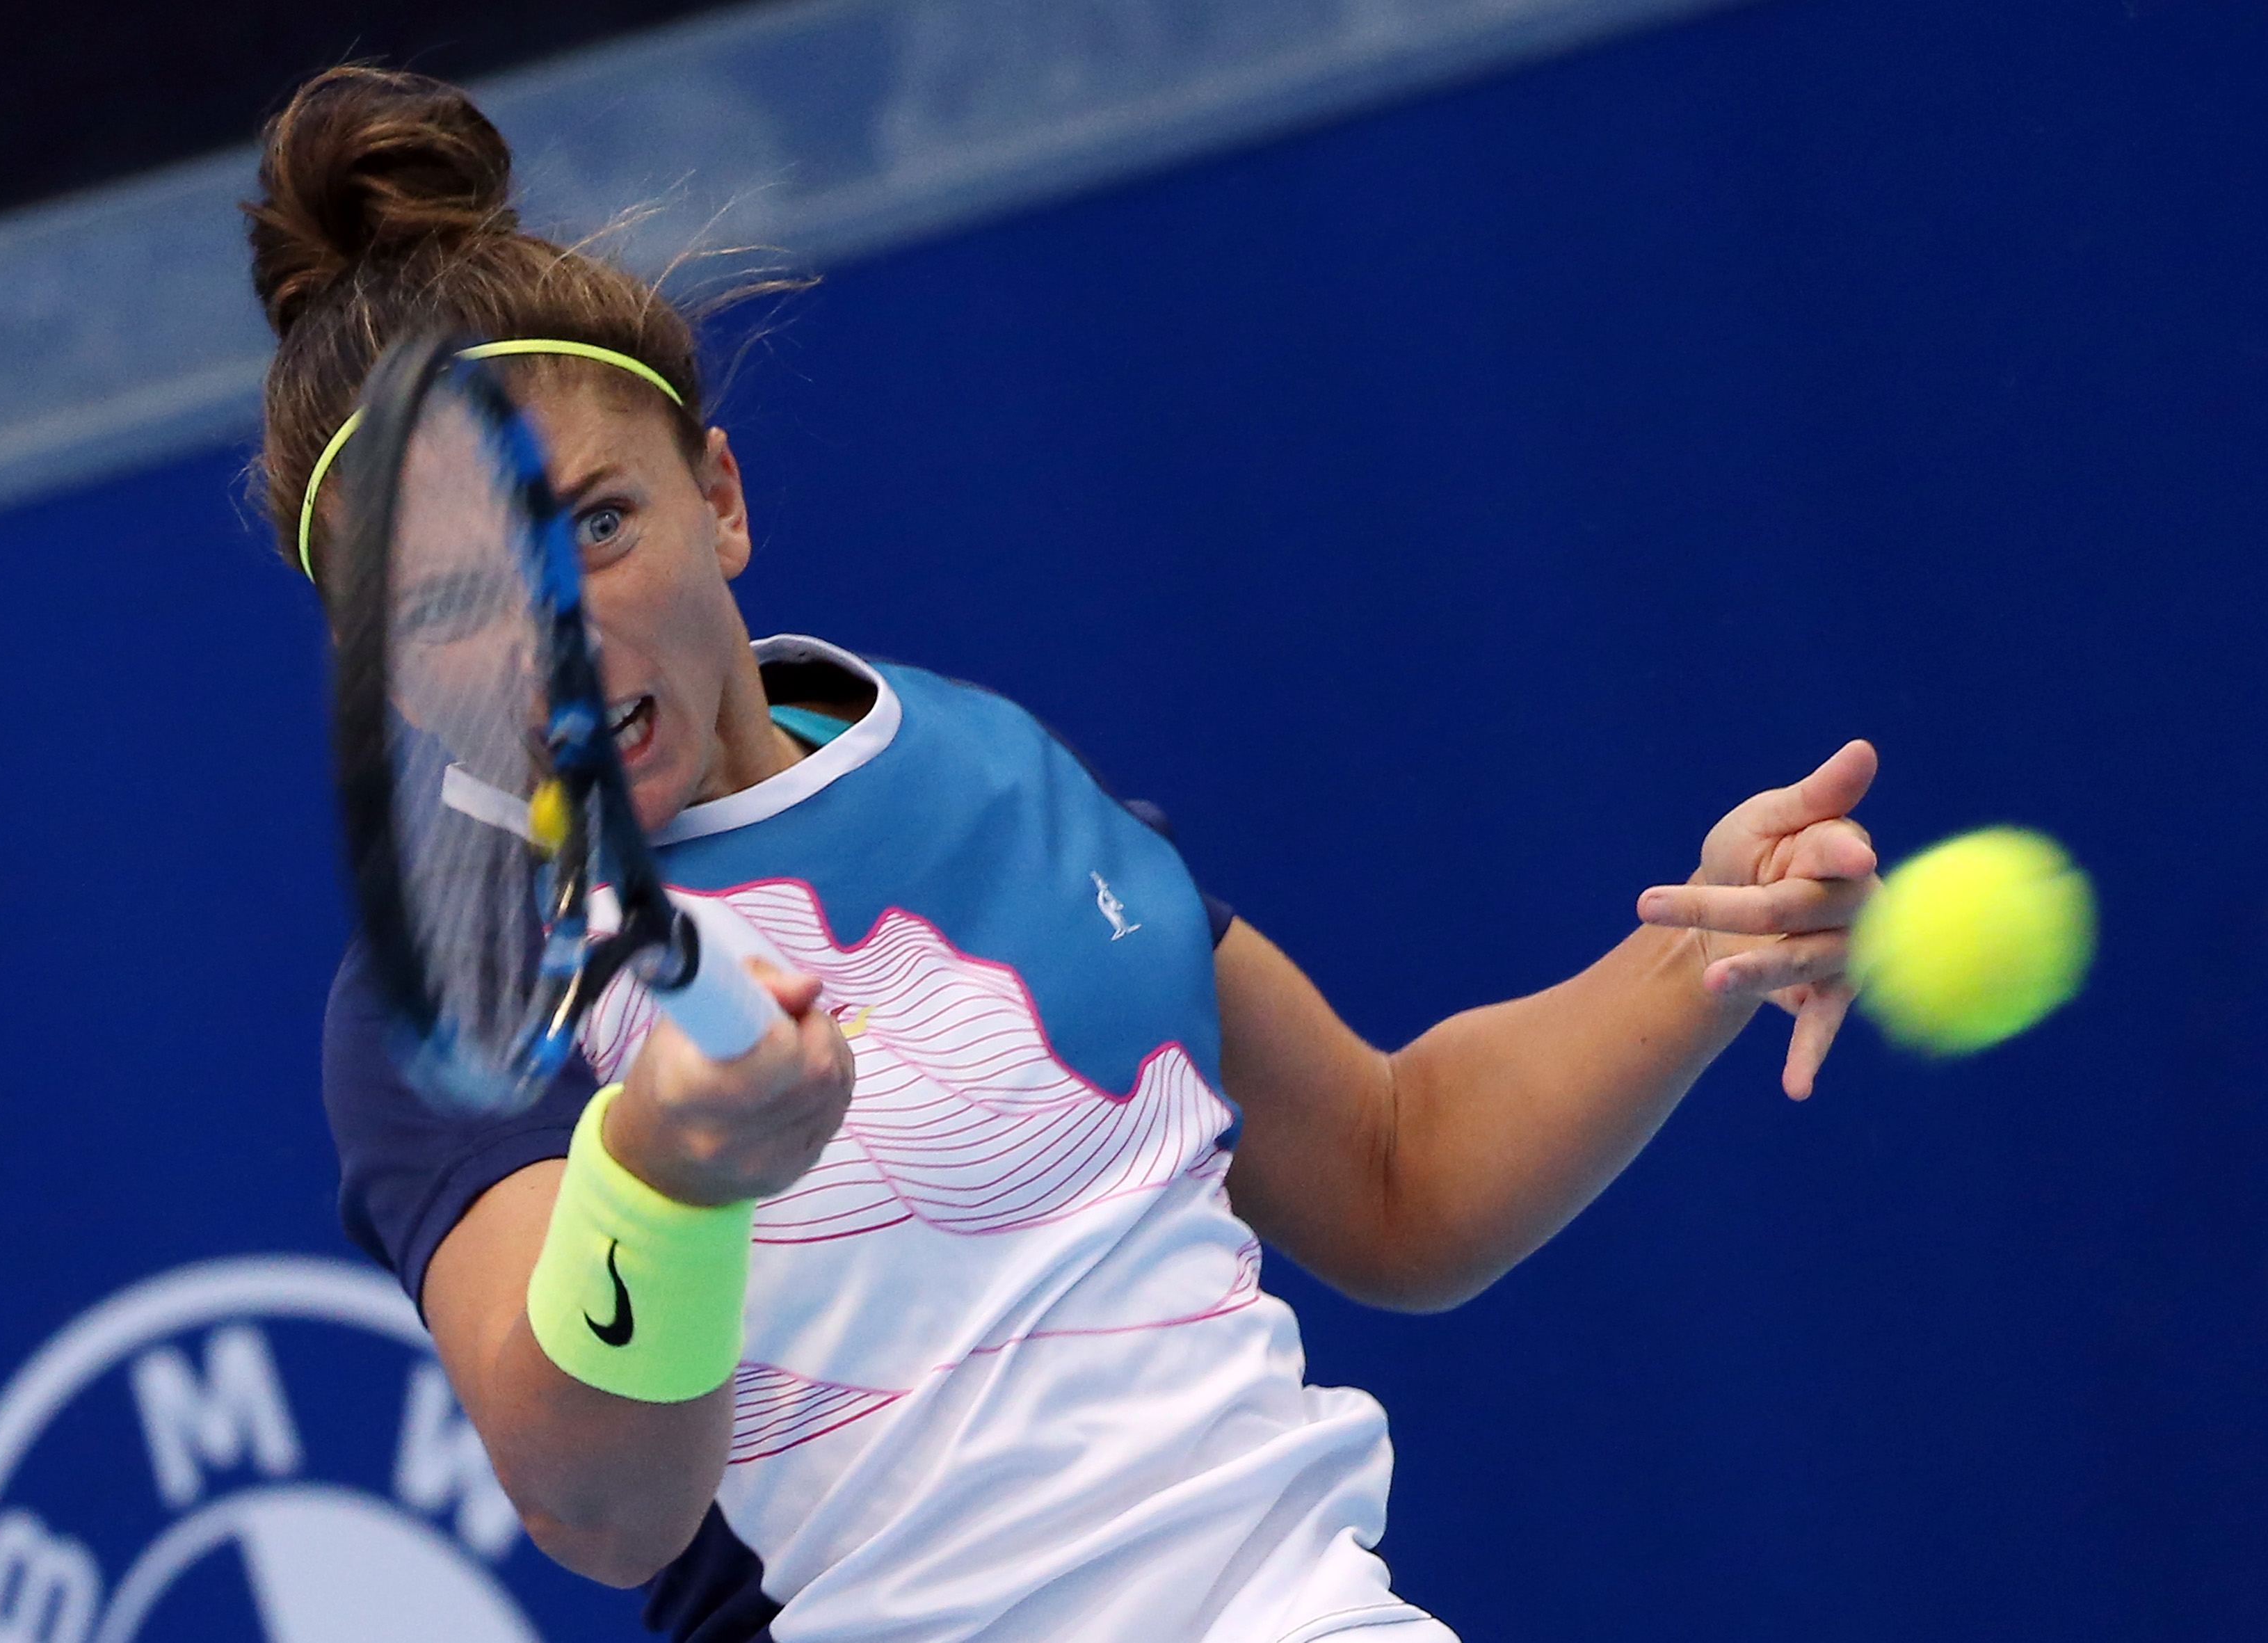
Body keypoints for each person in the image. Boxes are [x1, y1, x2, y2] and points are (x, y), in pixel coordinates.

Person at [255, 66, 1879, 1643]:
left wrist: (1704, 950)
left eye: (597, 524)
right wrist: (669, 1179)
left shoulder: (980, 765)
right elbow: (601, 1509)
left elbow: (1396, 1170)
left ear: (719, 499)